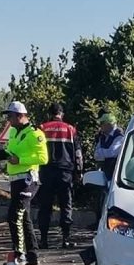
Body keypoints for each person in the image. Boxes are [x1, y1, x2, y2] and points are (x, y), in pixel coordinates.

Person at [1, 101, 49, 265]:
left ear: (21, 115)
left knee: (15, 216)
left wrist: (20, 160)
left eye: (11, 116)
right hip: (16, 180)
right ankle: (32, 254)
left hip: (28, 179)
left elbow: (43, 158)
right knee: (25, 216)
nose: (8, 119)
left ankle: (19, 255)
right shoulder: (14, 132)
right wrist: (4, 155)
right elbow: (13, 152)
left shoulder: (35, 134)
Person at [35, 103, 83, 249]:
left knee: (45, 206)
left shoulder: (42, 128)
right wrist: (79, 172)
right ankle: (66, 239)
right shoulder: (70, 129)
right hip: (65, 173)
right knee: (66, 205)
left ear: (50, 114)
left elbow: (35, 150)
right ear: (61, 114)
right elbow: (78, 154)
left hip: (46, 172)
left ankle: (43, 240)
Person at [91, 112, 125, 216]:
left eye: (102, 124)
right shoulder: (102, 137)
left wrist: (102, 152)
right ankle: (98, 220)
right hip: (105, 171)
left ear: (108, 124)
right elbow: (96, 155)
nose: (100, 127)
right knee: (101, 197)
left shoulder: (119, 136)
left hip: (115, 172)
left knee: (112, 198)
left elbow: (113, 153)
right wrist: (104, 153)